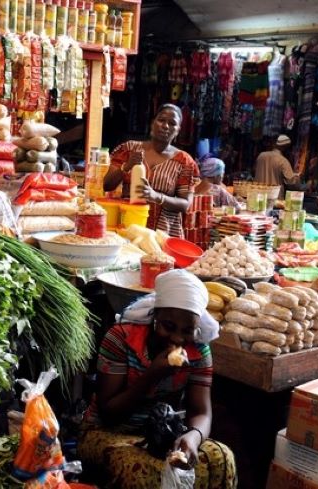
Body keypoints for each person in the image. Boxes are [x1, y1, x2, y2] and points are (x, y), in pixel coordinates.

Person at [77, 270, 236, 489]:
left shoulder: (198, 350)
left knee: (221, 457)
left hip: (161, 433)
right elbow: (109, 413)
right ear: (155, 317)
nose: (178, 338)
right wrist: (152, 375)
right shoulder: (121, 338)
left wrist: (193, 436)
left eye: (187, 330)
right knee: (141, 470)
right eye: (168, 326)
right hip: (107, 431)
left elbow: (201, 412)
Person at [103, 104, 200, 238]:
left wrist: (156, 196)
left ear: (178, 131)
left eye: (172, 123)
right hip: (129, 227)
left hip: (162, 234)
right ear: (152, 123)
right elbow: (107, 185)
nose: (165, 126)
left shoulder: (184, 161)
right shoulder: (129, 149)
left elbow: (185, 204)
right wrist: (127, 165)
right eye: (161, 120)